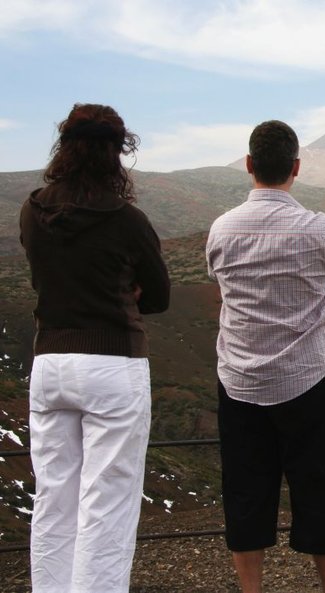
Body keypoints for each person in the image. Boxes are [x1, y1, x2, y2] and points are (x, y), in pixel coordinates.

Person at [19, 103, 171, 592]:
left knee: (54, 500)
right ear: (116, 153)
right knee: (107, 504)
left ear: (64, 146)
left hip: (49, 364)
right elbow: (161, 295)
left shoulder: (32, 209)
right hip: (111, 366)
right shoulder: (127, 220)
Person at [206, 120, 325, 593]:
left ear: (249, 165)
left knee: (246, 495)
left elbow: (220, 283)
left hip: (240, 384)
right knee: (321, 491)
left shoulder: (223, 228)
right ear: (296, 168)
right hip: (307, 380)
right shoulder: (320, 229)